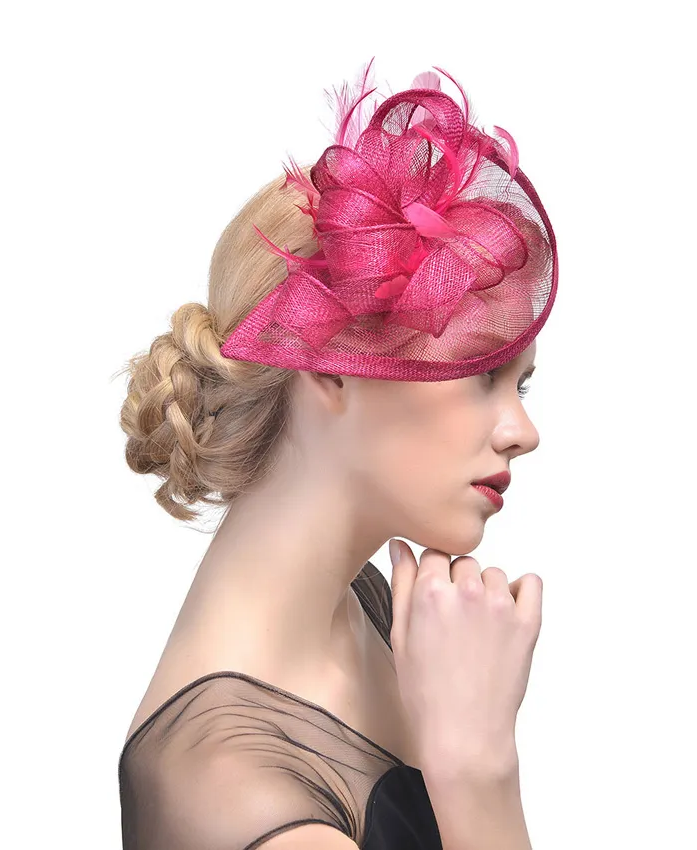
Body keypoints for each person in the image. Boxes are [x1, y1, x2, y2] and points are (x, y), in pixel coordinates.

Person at [117, 60, 558, 850]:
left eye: (519, 383)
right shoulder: (235, 795)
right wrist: (477, 768)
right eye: (482, 375)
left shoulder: (365, 607)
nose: (522, 430)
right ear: (330, 366)